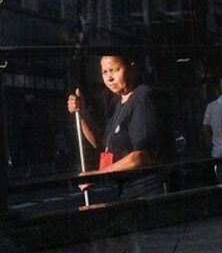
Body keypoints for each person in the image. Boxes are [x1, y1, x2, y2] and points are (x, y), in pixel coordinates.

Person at [66, 55, 175, 200]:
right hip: (127, 189)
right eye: (105, 72)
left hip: (149, 191)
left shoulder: (143, 97)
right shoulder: (116, 102)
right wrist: (83, 113)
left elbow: (142, 156)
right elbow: (100, 141)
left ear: (131, 68)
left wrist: (98, 175)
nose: (109, 78)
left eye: (114, 70)